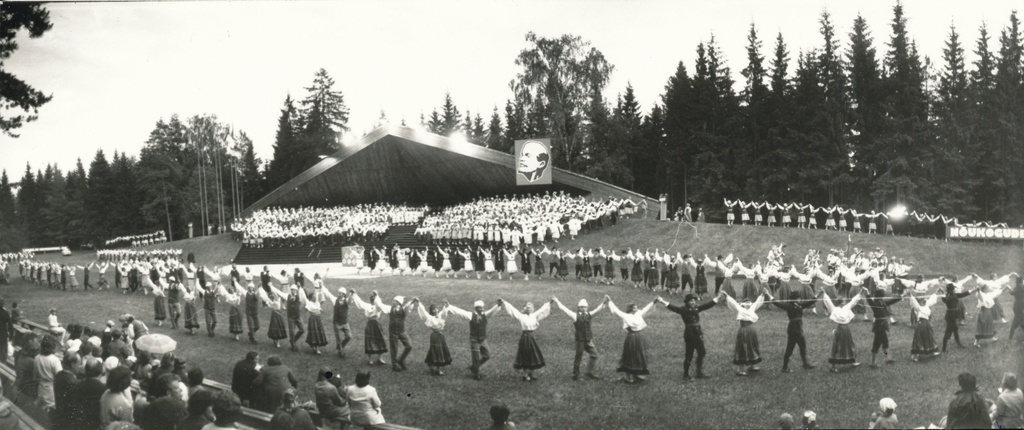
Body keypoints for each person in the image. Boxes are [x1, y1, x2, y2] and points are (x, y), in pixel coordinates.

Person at [661, 292, 723, 379]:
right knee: (689, 354)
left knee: (702, 352)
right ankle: (685, 375)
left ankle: (699, 372)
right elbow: (673, 308)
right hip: (690, 334)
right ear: (687, 302)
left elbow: (707, 305)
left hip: (698, 334)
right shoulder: (683, 310)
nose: (693, 302)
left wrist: (718, 297)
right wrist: (662, 301)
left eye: (694, 301)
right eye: (691, 301)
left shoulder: (697, 308)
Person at [551, 297, 605, 380]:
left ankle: (589, 372)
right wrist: (557, 301)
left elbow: (598, 310)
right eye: (581, 307)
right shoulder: (575, 316)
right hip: (580, 340)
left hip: (588, 340)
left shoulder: (589, 315)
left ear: (587, 308)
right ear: (578, 308)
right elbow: (565, 309)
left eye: (585, 307)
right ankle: (576, 375)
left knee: (594, 355)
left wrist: (604, 302)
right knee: (578, 357)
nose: (583, 309)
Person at [447, 300, 502, 380]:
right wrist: (449, 306)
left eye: (483, 308)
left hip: (483, 340)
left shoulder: (485, 315)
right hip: (474, 340)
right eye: (480, 308)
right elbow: (460, 312)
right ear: (476, 308)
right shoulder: (470, 315)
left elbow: (492, 311)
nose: (482, 310)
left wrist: (497, 305)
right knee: (475, 358)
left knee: (487, 355)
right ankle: (476, 374)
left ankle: (474, 367)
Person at [608, 296, 658, 383]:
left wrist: (653, 302)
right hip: (632, 338)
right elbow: (616, 310)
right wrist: (610, 302)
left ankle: (637, 374)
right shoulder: (626, 316)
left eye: (636, 307)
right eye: (634, 307)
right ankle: (629, 376)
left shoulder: (638, 314)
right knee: (630, 355)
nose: (636, 308)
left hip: (638, 337)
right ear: (630, 309)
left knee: (638, 354)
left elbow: (646, 309)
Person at [499, 299, 552, 381]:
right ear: (525, 309)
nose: (529, 309)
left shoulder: (534, 315)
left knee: (533, 354)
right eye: (528, 307)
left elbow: (542, 309)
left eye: (531, 308)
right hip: (524, 337)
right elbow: (513, 310)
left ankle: (532, 372)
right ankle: (525, 374)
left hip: (531, 337)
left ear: (533, 309)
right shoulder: (521, 316)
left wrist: (549, 303)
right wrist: (504, 302)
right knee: (525, 354)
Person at [724, 290, 771, 376]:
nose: (748, 304)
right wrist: (727, 296)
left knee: (752, 346)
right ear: (743, 304)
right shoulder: (740, 308)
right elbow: (733, 303)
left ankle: (752, 365)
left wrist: (762, 294)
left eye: (749, 303)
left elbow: (758, 302)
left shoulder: (752, 308)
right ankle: (740, 369)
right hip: (744, 330)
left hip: (752, 330)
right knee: (743, 347)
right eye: (746, 303)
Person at [772, 288, 818, 373]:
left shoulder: (800, 305)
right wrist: (768, 294)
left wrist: (819, 294)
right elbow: (777, 303)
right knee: (794, 346)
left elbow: (810, 302)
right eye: (798, 298)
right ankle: (788, 367)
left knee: (798, 346)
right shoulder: (789, 305)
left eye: (799, 298)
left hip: (798, 328)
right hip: (793, 328)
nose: (800, 299)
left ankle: (802, 364)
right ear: (794, 299)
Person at [823, 290, 864, 373]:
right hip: (840, 329)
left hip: (846, 329)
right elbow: (828, 302)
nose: (844, 303)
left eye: (844, 302)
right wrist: (824, 293)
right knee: (837, 346)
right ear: (839, 303)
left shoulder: (846, 308)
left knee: (850, 344)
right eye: (842, 302)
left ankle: (852, 361)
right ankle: (833, 366)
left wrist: (860, 293)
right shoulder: (835, 309)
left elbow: (853, 302)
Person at [374, 293, 415, 372]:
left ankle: (401, 360)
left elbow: (408, 306)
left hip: (402, 331)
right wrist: (377, 296)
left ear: (398, 302)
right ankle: (394, 365)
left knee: (409, 346)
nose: (393, 302)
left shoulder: (404, 309)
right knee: (394, 349)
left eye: (394, 301)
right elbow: (381, 305)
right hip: (393, 332)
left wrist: (412, 301)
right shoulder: (390, 308)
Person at [413, 300, 453, 376]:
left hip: (441, 336)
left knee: (437, 349)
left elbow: (444, 312)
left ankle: (430, 362)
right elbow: (423, 312)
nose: (435, 310)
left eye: (436, 309)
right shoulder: (430, 318)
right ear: (431, 311)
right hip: (435, 336)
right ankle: (438, 369)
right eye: (433, 310)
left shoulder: (441, 315)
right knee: (437, 350)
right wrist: (419, 303)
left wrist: (446, 305)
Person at [865, 289, 902, 368]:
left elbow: (891, 301)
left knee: (885, 342)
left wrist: (901, 297)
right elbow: (869, 300)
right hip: (879, 326)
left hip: (882, 326)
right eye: (882, 296)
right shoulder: (874, 303)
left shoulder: (882, 302)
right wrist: (867, 293)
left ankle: (887, 358)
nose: (883, 297)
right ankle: (873, 363)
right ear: (879, 296)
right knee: (877, 344)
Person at [907, 290, 941, 361]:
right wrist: (910, 295)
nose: (924, 301)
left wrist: (936, 292)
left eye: (924, 301)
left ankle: (933, 351)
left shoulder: (927, 306)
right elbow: (914, 302)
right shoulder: (918, 308)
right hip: (920, 325)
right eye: (922, 301)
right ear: (920, 302)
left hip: (927, 324)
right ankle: (916, 355)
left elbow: (932, 300)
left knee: (929, 337)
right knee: (919, 339)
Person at [52, 351, 81, 430]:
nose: (79, 366)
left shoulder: (59, 375)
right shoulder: (74, 382)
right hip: (68, 420)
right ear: (72, 364)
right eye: (78, 363)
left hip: (59, 413)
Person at [76, 357, 106, 430]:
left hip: (81, 420)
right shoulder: (104, 388)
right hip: (96, 421)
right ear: (100, 372)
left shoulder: (78, 384)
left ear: (86, 371)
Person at [34, 335, 62, 411]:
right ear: (52, 347)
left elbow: (35, 374)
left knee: (41, 404)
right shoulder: (54, 360)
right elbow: (59, 376)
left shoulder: (37, 357)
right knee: (50, 406)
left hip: (41, 384)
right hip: (51, 387)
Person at [331, 287, 353, 358]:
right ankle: (340, 351)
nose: (338, 294)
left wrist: (351, 293)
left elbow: (349, 301)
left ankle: (340, 347)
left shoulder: (346, 301)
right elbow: (328, 294)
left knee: (349, 336)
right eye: (338, 293)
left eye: (340, 293)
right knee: (338, 338)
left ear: (344, 294)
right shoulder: (335, 300)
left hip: (345, 323)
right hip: (336, 322)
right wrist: (321, 287)